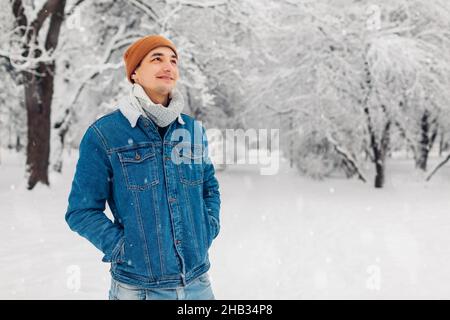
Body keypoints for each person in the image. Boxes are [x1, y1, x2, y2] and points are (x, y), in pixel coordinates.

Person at [65, 34, 221, 300]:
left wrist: (208, 226)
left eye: (173, 60)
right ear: (135, 73)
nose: (168, 66)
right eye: (156, 59)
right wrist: (125, 249)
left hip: (198, 285)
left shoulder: (192, 130)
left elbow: (209, 188)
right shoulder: (105, 134)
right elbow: (81, 211)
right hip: (139, 289)